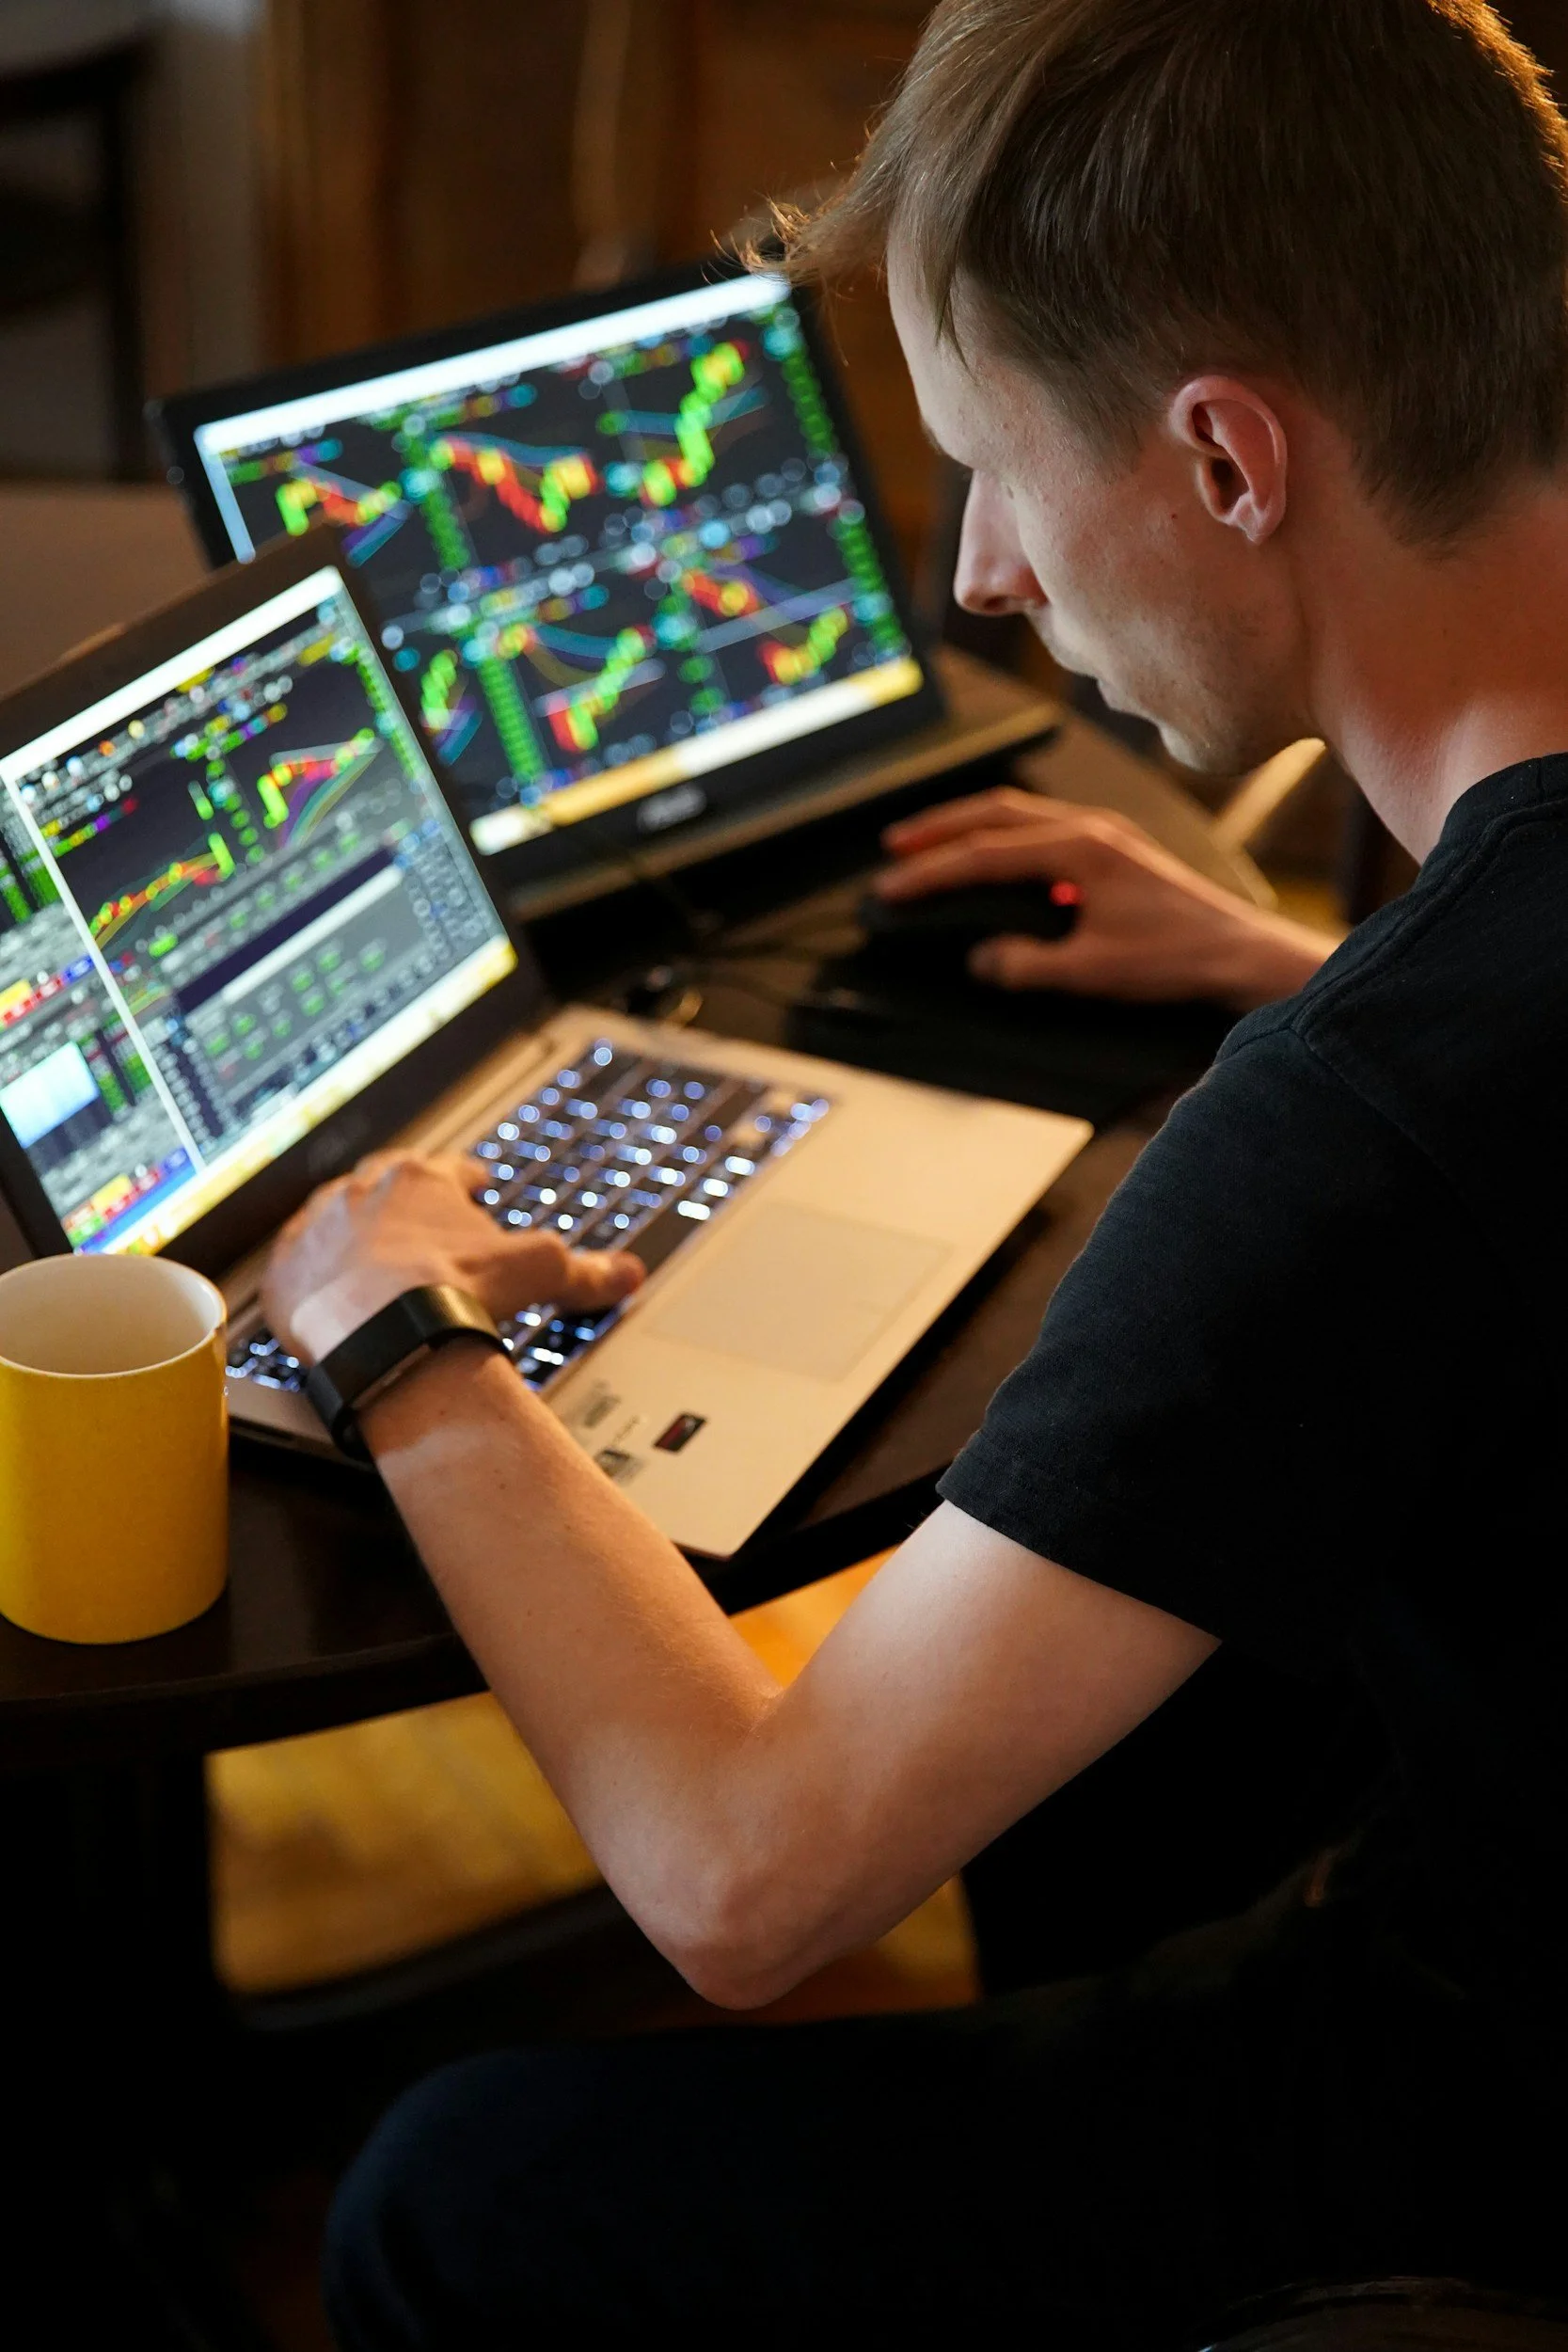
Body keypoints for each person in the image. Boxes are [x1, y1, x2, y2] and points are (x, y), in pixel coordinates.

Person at [273, 1, 1568, 2338]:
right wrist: (1291, 974)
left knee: (460, 2188)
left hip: (1507, 2090)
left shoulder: (1370, 1123)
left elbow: (739, 1882)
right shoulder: (1422, 1034)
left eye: (982, 459)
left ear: (1223, 460)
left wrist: (404, 1331)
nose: (971, 568)